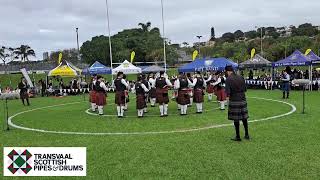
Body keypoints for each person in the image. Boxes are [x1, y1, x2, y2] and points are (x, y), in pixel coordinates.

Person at [225, 65, 249, 142]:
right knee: (244, 118)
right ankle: (247, 134)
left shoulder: (228, 79)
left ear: (228, 71)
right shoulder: (241, 77)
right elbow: (245, 89)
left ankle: (238, 136)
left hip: (234, 100)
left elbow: (228, 93)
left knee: (236, 119)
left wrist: (228, 102)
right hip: (242, 99)